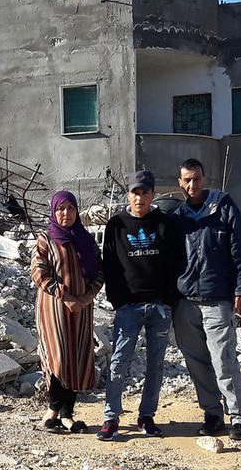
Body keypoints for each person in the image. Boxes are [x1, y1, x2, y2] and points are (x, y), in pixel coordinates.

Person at [96, 170, 185, 441]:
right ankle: (111, 417)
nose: (140, 197)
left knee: (156, 364)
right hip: (129, 307)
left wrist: (169, 300)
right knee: (119, 361)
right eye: (135, 192)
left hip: (159, 306)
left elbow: (177, 263)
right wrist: (118, 300)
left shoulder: (166, 224)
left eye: (145, 192)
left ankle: (147, 416)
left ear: (152, 194)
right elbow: (109, 265)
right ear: (128, 194)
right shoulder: (116, 225)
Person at [172, 158, 241, 441]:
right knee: (197, 361)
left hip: (217, 298)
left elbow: (240, 251)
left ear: (205, 178)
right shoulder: (179, 216)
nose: (192, 185)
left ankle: (239, 417)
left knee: (224, 360)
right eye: (187, 180)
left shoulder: (223, 207)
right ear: (180, 183)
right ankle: (212, 414)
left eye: (196, 178)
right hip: (185, 301)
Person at [30, 190, 103, 433]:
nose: (66, 213)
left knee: (77, 358)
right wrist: (66, 296)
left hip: (82, 309)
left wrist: (87, 296)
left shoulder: (85, 239)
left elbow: (100, 271)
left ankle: (67, 415)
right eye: (61, 209)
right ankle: (51, 410)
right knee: (57, 358)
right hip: (54, 310)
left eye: (70, 208)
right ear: (53, 211)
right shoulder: (45, 239)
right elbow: (39, 273)